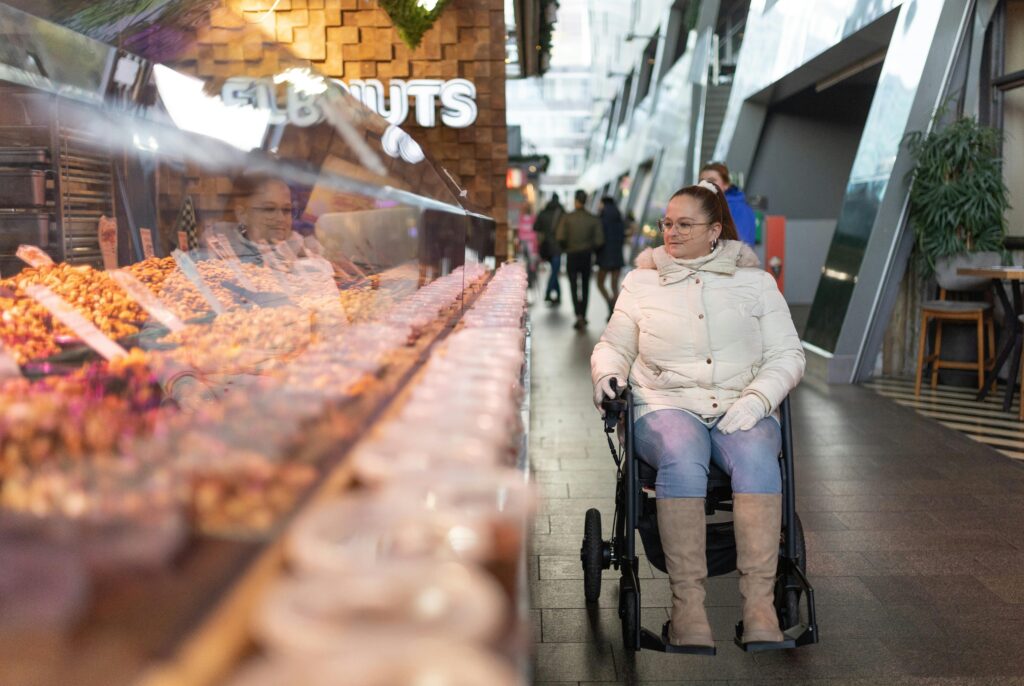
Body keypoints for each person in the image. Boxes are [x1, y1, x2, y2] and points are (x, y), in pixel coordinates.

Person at [590, 179, 804, 650]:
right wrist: (607, 375)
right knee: (683, 453)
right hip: (665, 404)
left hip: (739, 405)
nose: (671, 232)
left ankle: (760, 610)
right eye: (667, 224)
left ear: (714, 231)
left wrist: (757, 400)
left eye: (685, 224)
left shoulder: (755, 283)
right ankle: (688, 612)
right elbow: (614, 343)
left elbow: (788, 354)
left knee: (757, 460)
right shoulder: (641, 282)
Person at [556, 189, 604, 330]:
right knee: (585, 286)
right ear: (586, 201)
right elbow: (600, 240)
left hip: (572, 255)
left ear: (575, 200)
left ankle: (577, 314)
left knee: (572, 285)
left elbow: (560, 237)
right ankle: (584, 314)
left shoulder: (567, 218)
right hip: (586, 256)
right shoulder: (593, 219)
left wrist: (566, 247)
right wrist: (590, 247)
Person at [699, 162, 757, 247]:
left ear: (726, 184)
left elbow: (741, 247)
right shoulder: (701, 207)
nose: (705, 185)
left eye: (712, 180)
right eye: (701, 181)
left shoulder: (740, 209)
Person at [595, 196, 626, 320]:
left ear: (603, 203)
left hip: (605, 256)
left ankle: (609, 303)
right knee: (614, 285)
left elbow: (599, 236)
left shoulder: (602, 216)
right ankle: (617, 311)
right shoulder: (618, 215)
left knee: (600, 283)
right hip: (617, 255)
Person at [534, 195, 564, 306]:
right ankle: (548, 293)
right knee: (555, 271)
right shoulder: (561, 214)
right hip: (557, 247)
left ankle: (558, 295)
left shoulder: (543, 213)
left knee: (554, 271)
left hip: (546, 247)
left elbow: (535, 228)